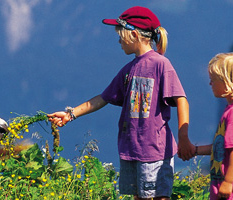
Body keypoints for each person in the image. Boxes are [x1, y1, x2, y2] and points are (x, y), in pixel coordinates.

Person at [47, 6, 195, 200]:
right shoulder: (129, 69)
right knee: (138, 197)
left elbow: (181, 99)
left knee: (158, 197)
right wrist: (70, 114)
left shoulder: (161, 64)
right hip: (132, 149)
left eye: (121, 35)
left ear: (133, 35)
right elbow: (103, 98)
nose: (118, 41)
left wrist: (183, 137)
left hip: (154, 151)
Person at [193, 53, 233, 200]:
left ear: (228, 81)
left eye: (213, 80)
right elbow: (221, 147)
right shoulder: (232, 110)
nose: (210, 84)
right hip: (224, 188)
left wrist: (228, 182)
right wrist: (195, 150)